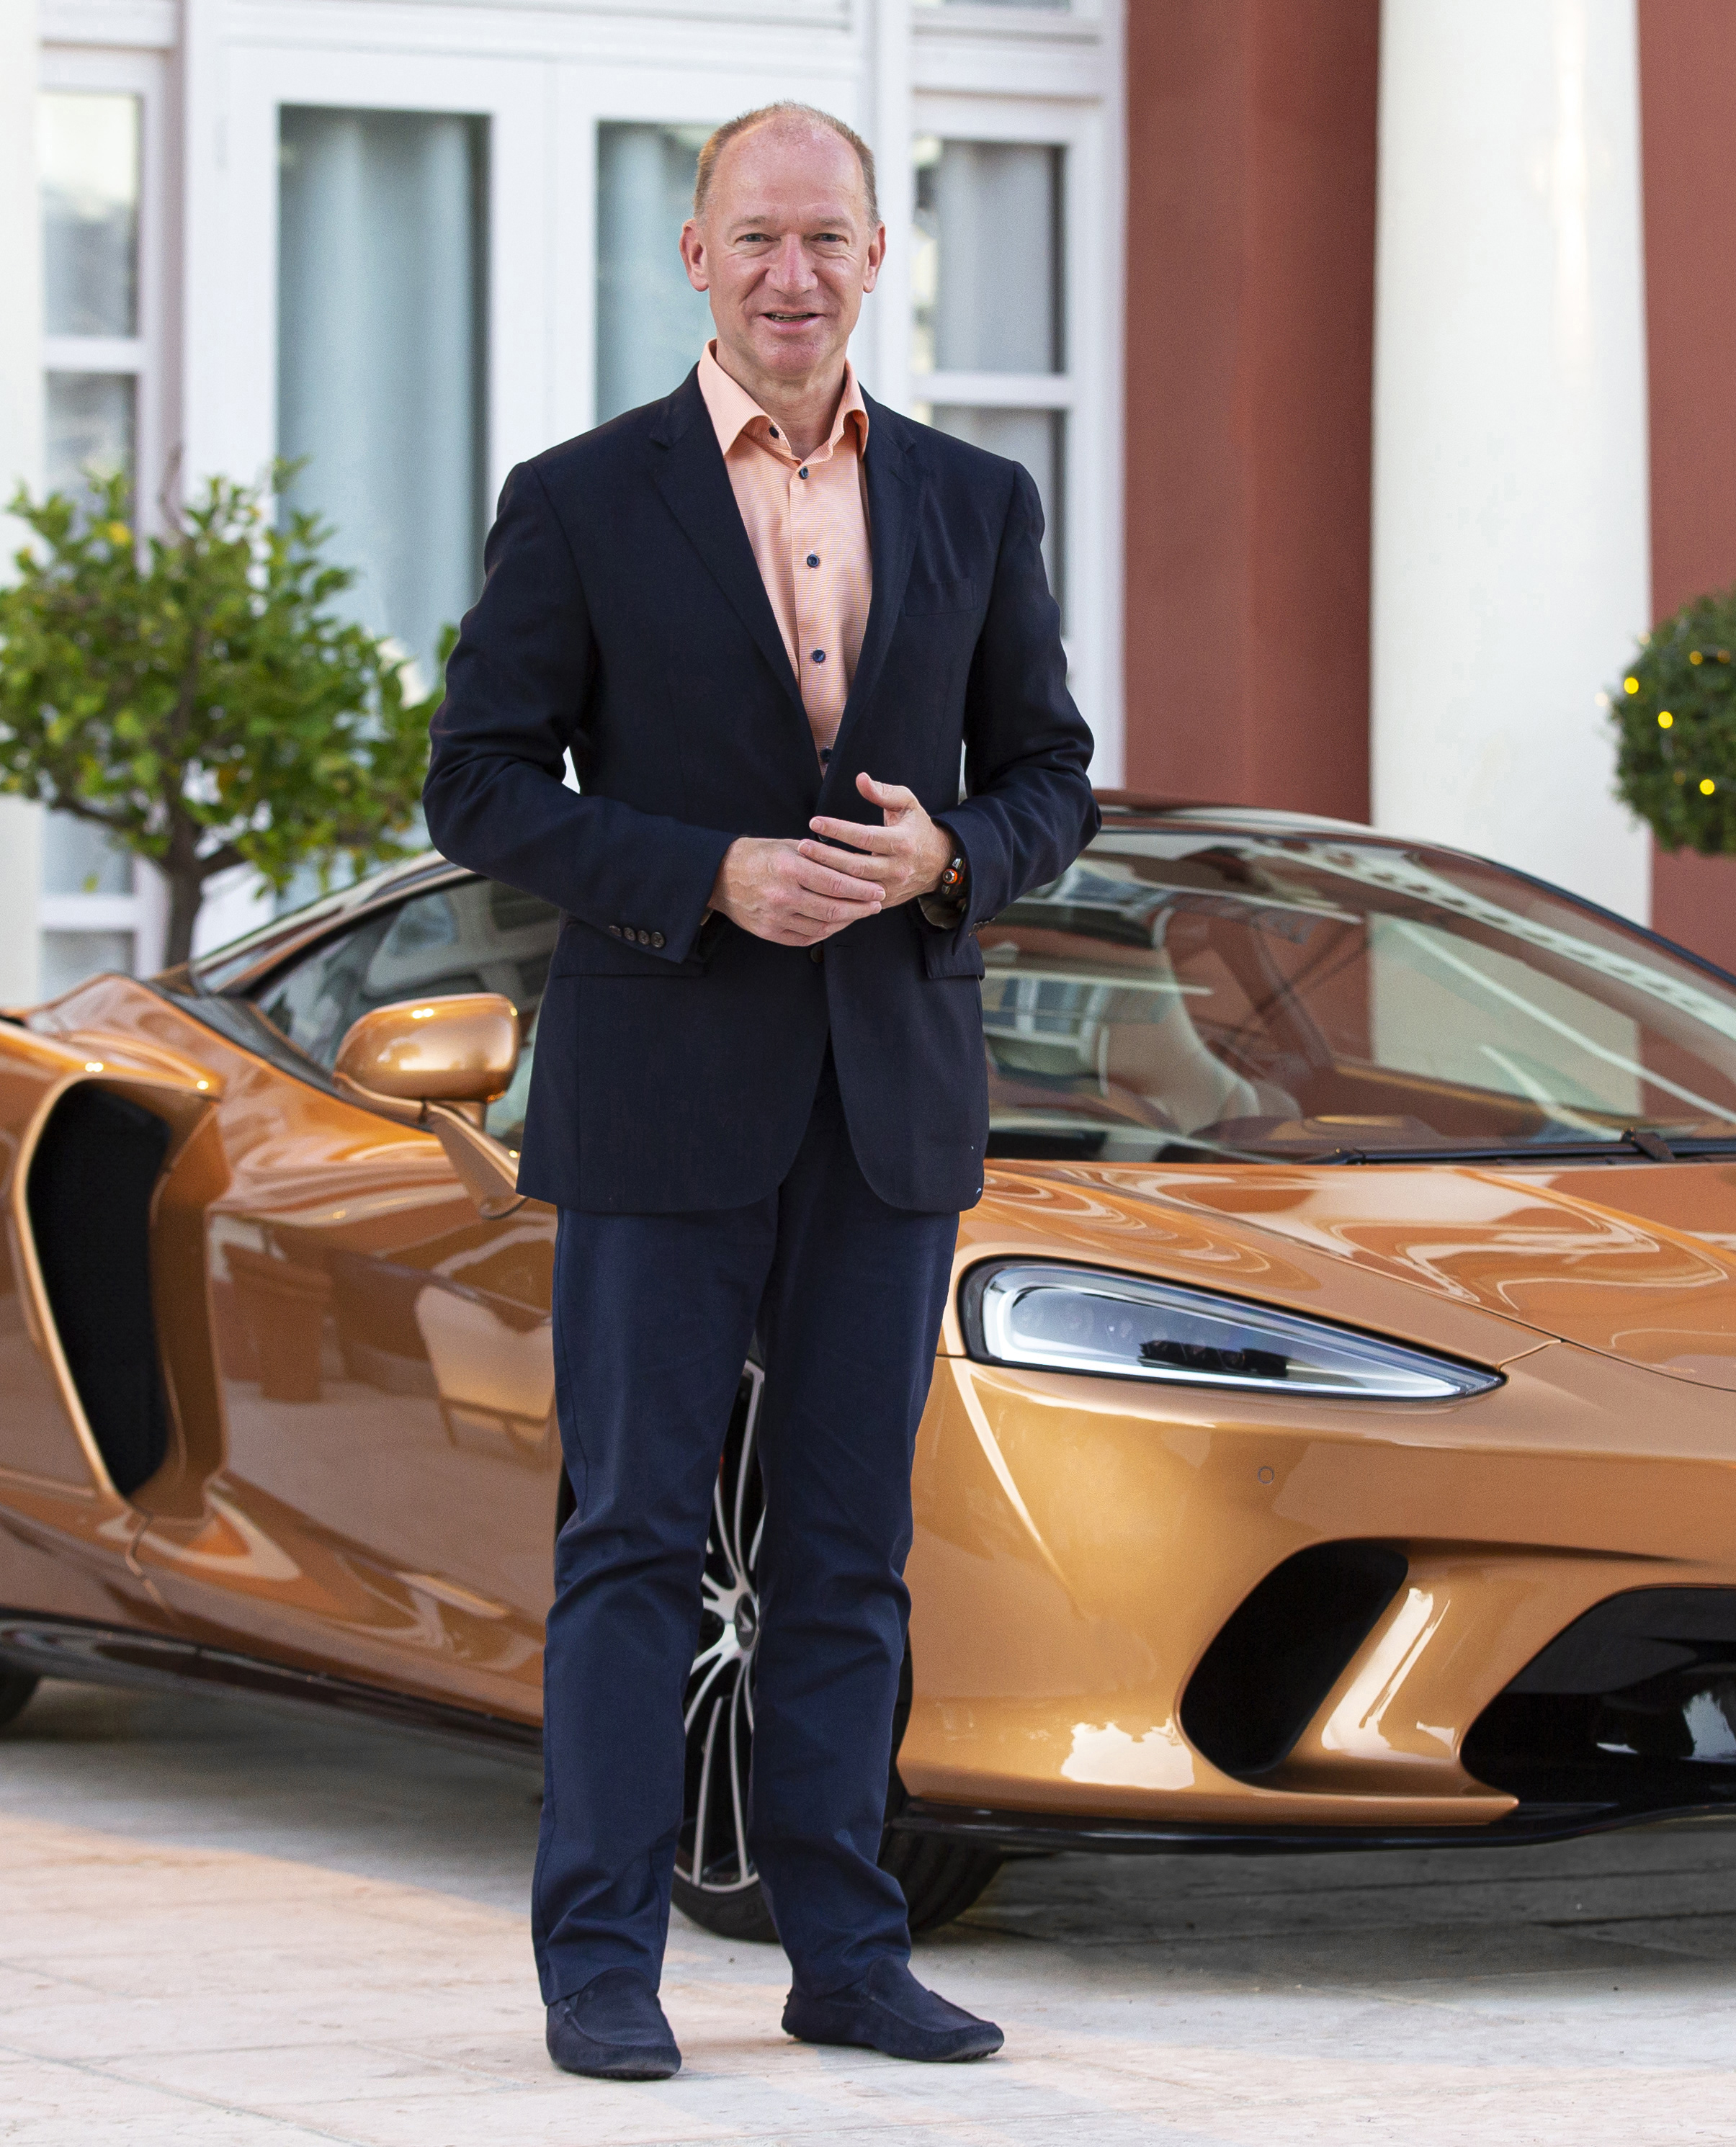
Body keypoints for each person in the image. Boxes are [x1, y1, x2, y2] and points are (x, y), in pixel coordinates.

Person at [420, 101, 1097, 2081]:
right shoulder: (580, 497)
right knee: (631, 1532)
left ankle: (844, 1951)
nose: (794, 273)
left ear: (880, 259)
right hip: (660, 1084)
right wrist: (701, 874)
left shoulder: (977, 502)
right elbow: (476, 783)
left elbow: (1055, 773)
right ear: (695, 257)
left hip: (889, 1092)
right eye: (757, 239)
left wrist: (950, 855)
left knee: (847, 1545)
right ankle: (605, 1966)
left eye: (830, 238)